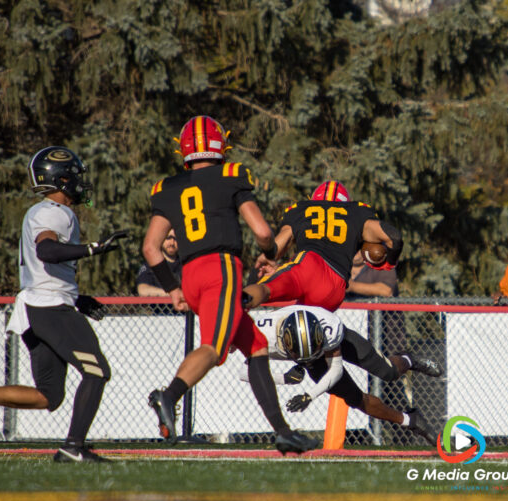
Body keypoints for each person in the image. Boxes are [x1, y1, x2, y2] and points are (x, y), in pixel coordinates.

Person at [143, 115, 317, 455]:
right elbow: (264, 232)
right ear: (222, 143)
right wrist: (270, 253)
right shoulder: (230, 176)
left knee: (257, 345)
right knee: (214, 349)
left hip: (190, 275)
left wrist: (172, 287)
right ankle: (169, 396)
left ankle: (283, 432)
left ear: (184, 149)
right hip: (221, 269)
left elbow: (151, 247)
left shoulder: (169, 187)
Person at [0, 146, 126, 463]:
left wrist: (78, 298)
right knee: (96, 372)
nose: (81, 183)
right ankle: (73, 447)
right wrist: (93, 249)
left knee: (49, 395)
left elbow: (45, 267)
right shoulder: (53, 212)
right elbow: (46, 251)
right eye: (76, 177)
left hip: (36, 305)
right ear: (63, 179)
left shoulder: (43, 211)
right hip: (48, 307)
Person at [239, 304, 442, 445]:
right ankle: (411, 421)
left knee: (388, 372)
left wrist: (310, 395)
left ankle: (409, 360)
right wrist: (285, 378)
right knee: (355, 399)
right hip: (313, 360)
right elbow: (243, 372)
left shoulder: (328, 327)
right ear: (284, 341)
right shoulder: (262, 335)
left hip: (335, 344)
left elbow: (335, 369)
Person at [243, 180, 403, 311]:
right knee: (316, 335)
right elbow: (394, 238)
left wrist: (268, 255)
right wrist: (388, 263)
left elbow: (275, 250)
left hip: (308, 268)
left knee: (265, 289)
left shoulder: (302, 210)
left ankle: (236, 312)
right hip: (336, 287)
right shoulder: (356, 212)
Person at [136, 229, 181, 296]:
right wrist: (172, 294)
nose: (172, 243)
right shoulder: (151, 265)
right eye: (168, 238)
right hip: (159, 306)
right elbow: (142, 290)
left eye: (175, 238)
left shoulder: (186, 264)